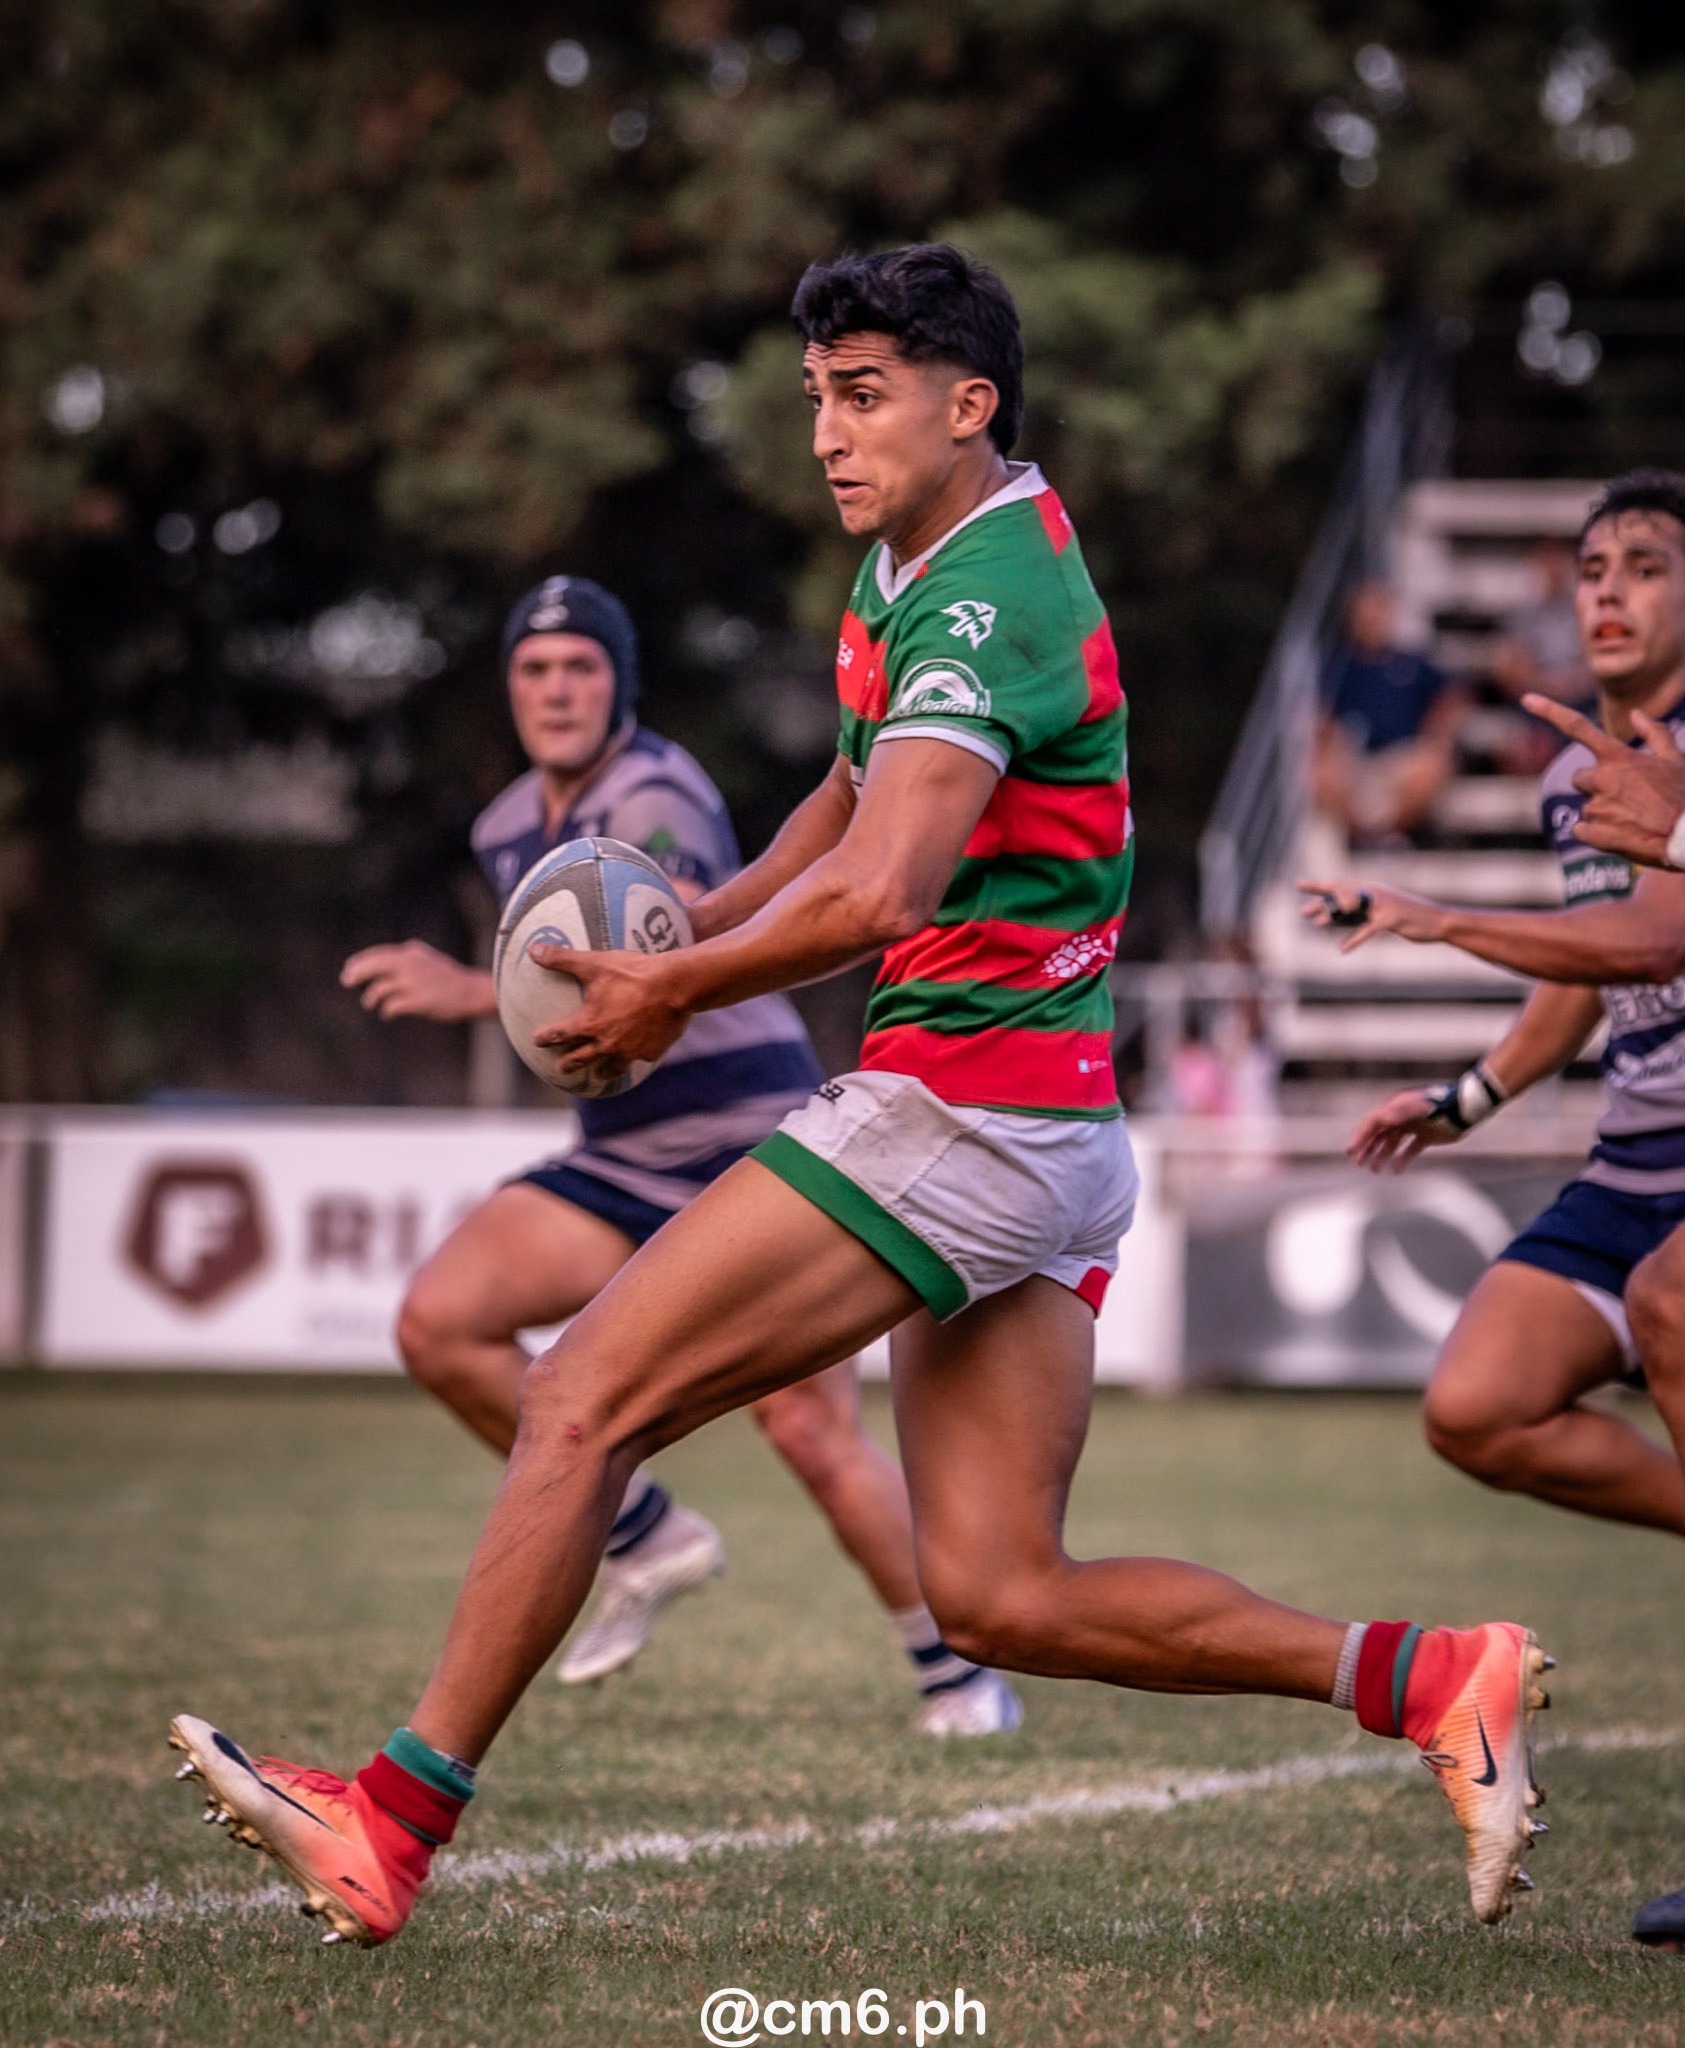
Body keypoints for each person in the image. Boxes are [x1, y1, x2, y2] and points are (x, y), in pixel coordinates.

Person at [170, 244, 1551, 1949]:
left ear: (971, 405)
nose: (827, 429)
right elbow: (839, 804)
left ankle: (391, 1818)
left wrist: (674, 983)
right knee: (999, 1587)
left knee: (583, 1390)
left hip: (960, 1108)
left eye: (866, 392)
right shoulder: (918, 562)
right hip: (1043, 1125)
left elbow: (891, 882)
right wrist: (691, 927)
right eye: (818, 394)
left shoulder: (987, 597)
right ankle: (1439, 1677)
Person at [340, 575, 1021, 1739]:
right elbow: (556, 990)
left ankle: (958, 1674)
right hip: (616, 1156)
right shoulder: (505, 824)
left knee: (808, 1429)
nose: (556, 689)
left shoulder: (654, 789)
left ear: (619, 684)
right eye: (534, 669)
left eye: (580, 667)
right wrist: (483, 995)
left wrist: (490, 985)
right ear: (510, 688)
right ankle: (648, 1531)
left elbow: (677, 924)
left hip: (737, 1143)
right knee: (437, 1319)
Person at [1301, 468, 1685, 1952]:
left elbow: (1658, 925)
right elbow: (1588, 969)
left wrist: (1431, 913)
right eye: (1590, 566)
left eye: (1643, 566)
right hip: (1634, 1153)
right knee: (1475, 1405)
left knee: (1664, 1301)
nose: (1603, 591)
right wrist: (1463, 1099)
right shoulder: (1566, 772)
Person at [1311, 581, 1466, 844]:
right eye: (1364, 614)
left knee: (1432, 766)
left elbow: (1455, 694)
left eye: (1376, 612)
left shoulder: (1411, 661)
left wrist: (1438, 733)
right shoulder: (1340, 667)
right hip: (1357, 760)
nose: (1371, 620)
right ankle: (1366, 836)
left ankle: (1385, 834)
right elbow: (1324, 717)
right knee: (1318, 774)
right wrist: (1331, 743)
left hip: (1403, 758)